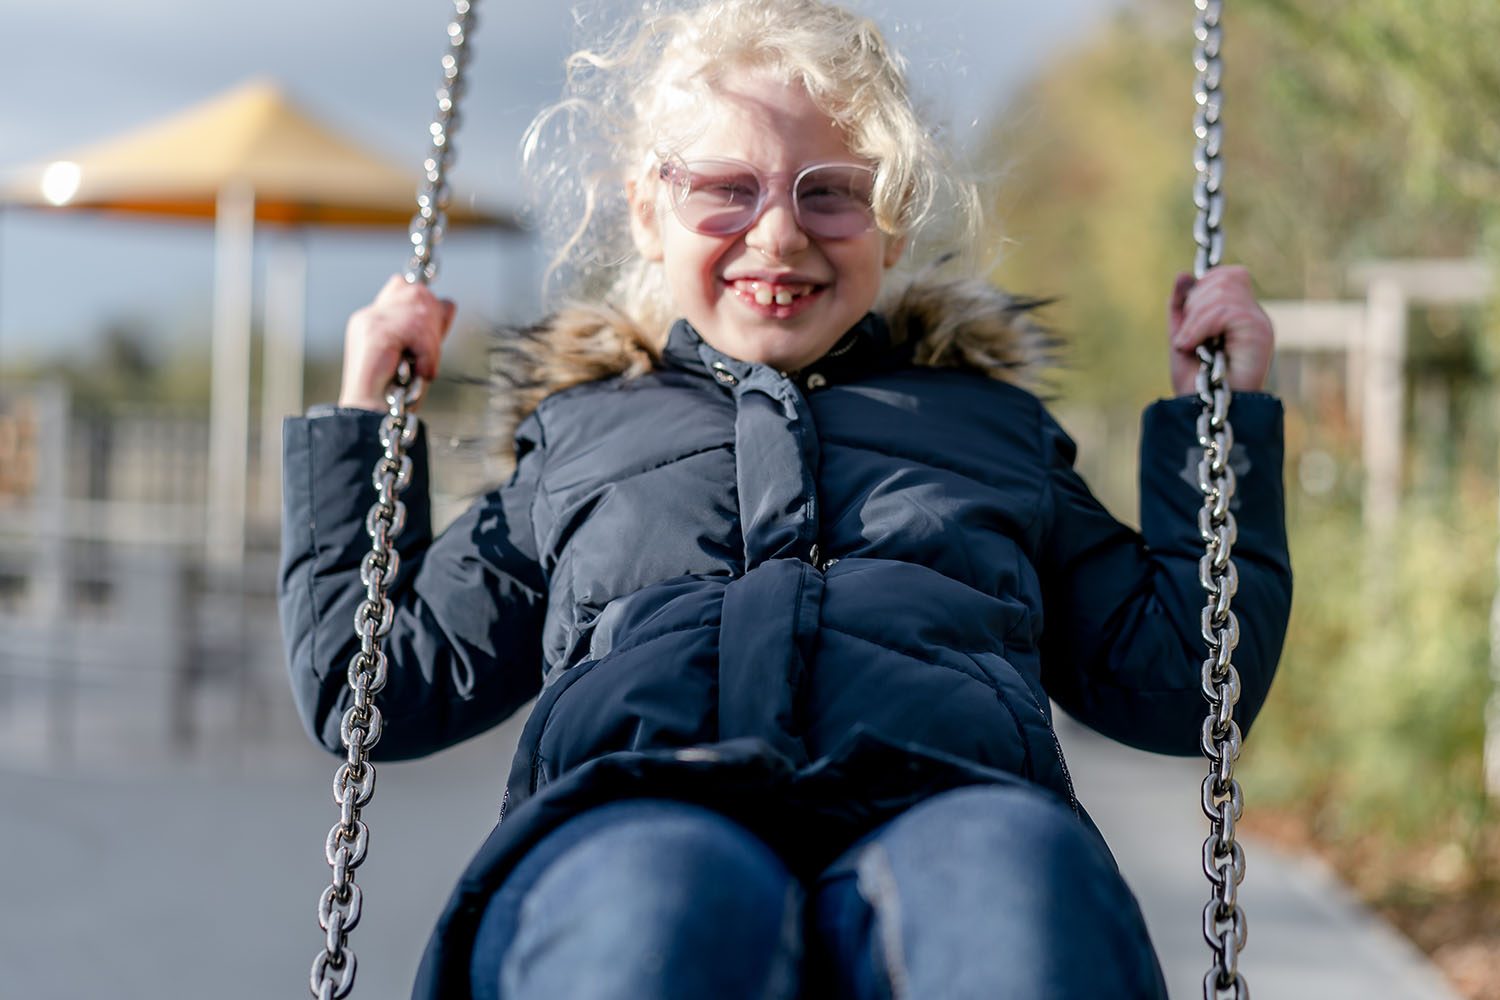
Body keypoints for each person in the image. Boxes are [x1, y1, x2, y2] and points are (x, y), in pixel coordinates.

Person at [279, 1, 1291, 998]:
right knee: (665, 899)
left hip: (948, 799)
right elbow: (373, 687)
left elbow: (1182, 684)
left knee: (1009, 885)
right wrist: (366, 423)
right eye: (727, 189)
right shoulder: (581, 438)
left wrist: (1220, 423)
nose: (778, 234)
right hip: (633, 808)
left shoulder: (988, 430)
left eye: (831, 193)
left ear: (890, 222)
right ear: (645, 207)